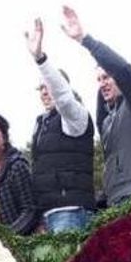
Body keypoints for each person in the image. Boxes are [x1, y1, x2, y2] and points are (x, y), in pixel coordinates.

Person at [61, 6, 131, 207]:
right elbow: (102, 110)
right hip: (115, 198)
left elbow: (124, 70)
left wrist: (85, 40)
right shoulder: (108, 120)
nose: (103, 83)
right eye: (99, 79)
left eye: (107, 77)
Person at [26, 18, 96, 233]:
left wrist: (40, 59)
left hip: (70, 212)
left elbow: (63, 97)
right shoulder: (41, 123)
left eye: (48, 86)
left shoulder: (75, 117)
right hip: (47, 214)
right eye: (40, 88)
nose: (45, 91)